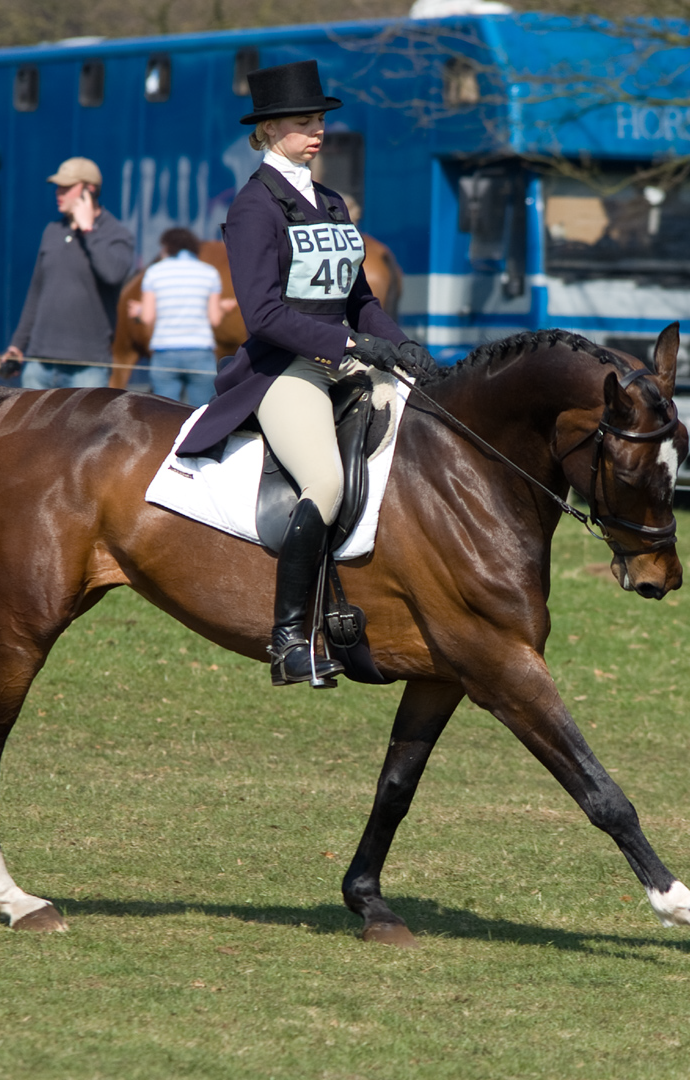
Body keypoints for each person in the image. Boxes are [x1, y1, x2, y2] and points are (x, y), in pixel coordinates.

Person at [176, 60, 434, 687]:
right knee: (324, 479)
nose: (316, 131)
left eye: (319, 120)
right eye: (302, 122)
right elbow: (263, 314)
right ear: (267, 131)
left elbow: (362, 301)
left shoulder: (331, 200)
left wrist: (404, 348)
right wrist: (350, 343)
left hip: (347, 357)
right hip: (284, 370)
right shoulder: (254, 208)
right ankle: (291, 637)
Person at [2, 157, 135, 389]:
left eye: (66, 187)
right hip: (39, 364)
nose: (58, 192)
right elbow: (36, 292)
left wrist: (88, 230)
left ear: (89, 190)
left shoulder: (117, 234)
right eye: (57, 186)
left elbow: (113, 274)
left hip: (87, 368)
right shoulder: (53, 230)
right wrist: (17, 345)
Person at [129, 228, 236, 408]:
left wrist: (139, 311)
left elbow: (147, 317)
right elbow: (215, 320)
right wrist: (222, 308)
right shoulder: (209, 273)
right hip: (200, 352)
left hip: (165, 351)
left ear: (167, 248)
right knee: (201, 414)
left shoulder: (154, 272)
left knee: (164, 414)